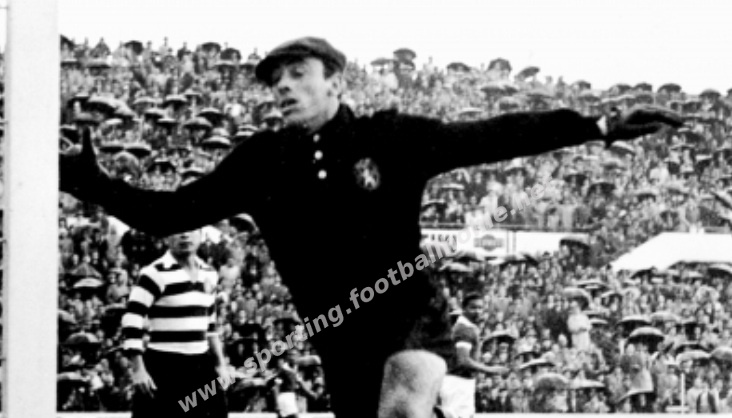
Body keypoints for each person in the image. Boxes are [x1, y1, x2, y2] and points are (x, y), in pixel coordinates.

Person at [61, 36, 683, 418]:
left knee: (404, 403)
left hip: (408, 310)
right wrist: (87, 181)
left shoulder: (388, 137)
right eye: (275, 81)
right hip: (337, 333)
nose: (283, 88)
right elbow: (169, 213)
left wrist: (594, 126)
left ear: (335, 80)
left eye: (297, 74)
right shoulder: (261, 162)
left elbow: (489, 136)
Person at [120, 228, 232, 417]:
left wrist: (220, 364)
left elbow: (210, 326)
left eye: (191, 229)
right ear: (166, 237)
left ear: (201, 235)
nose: (184, 235)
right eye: (177, 230)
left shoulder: (209, 273)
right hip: (164, 366)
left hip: (201, 366)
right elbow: (132, 318)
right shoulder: (154, 273)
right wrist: (138, 369)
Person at [439, 292, 495, 418]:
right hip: (458, 383)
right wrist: (490, 370)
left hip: (463, 382)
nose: (477, 311)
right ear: (464, 308)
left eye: (480, 308)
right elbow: (463, 360)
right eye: (473, 307)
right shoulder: (464, 329)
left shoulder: (469, 327)